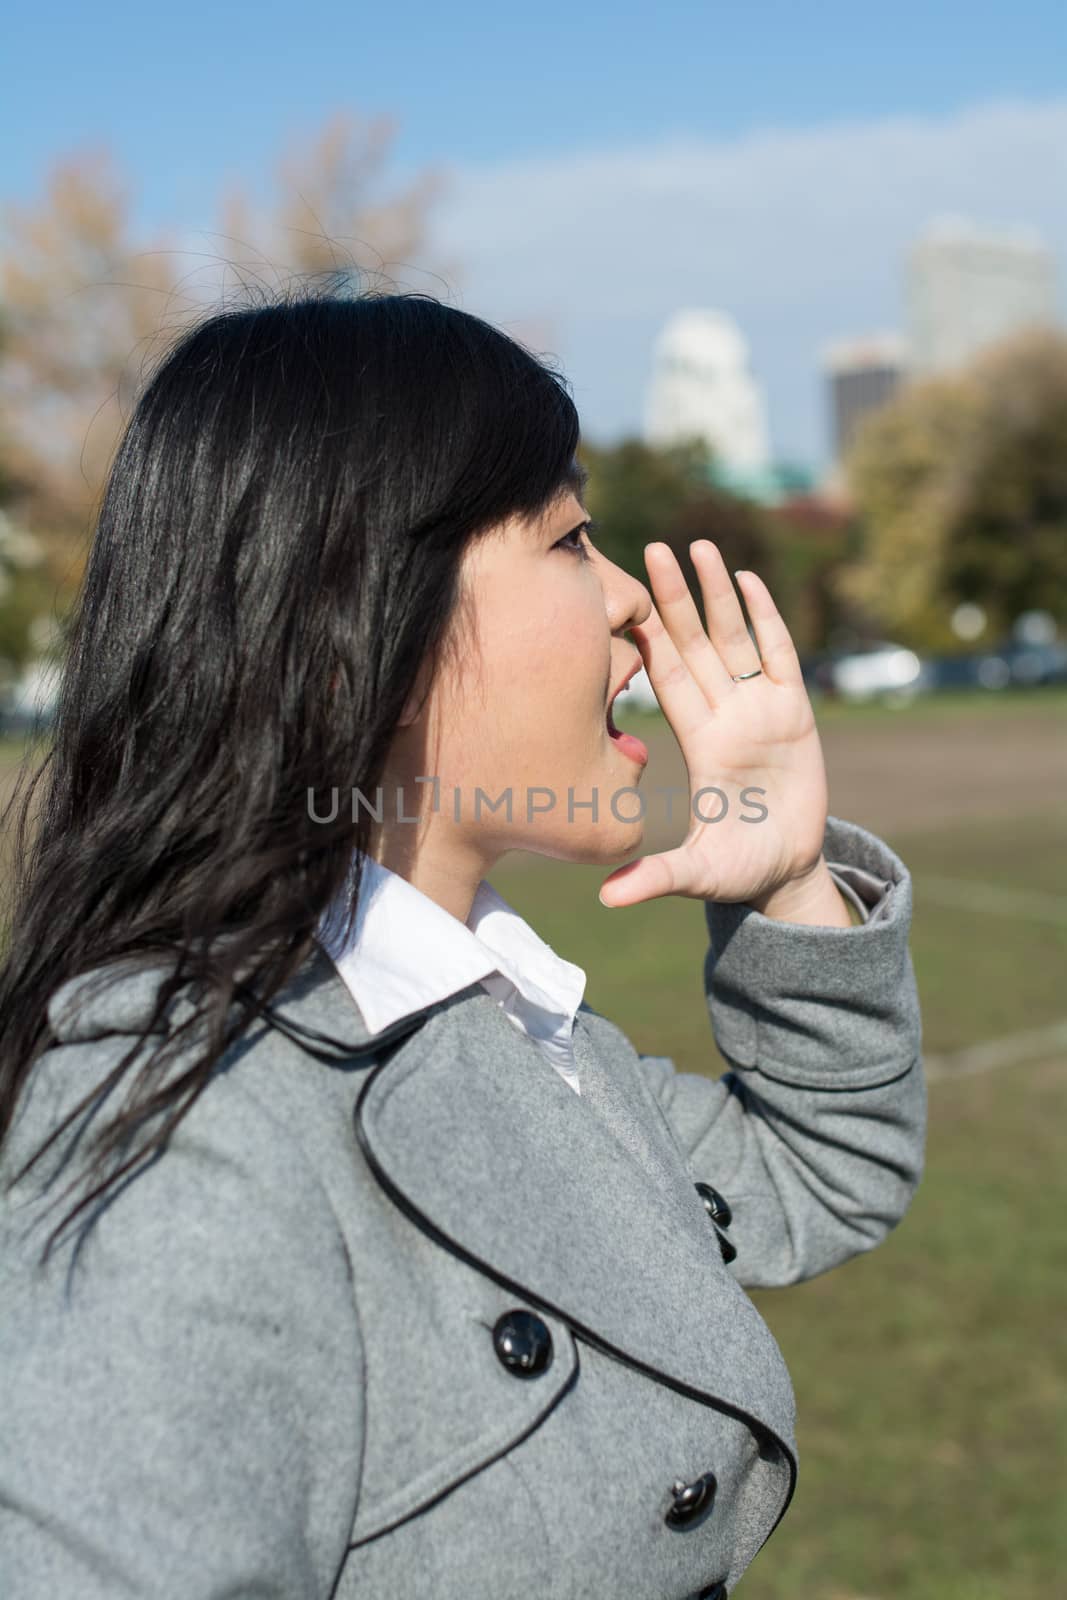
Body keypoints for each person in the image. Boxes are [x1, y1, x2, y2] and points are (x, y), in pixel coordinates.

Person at [0, 287, 925, 1600]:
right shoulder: (183, 1131)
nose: (633, 607)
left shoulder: (483, 1019)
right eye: (572, 537)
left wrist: (784, 876)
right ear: (355, 617)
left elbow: (817, 1176)